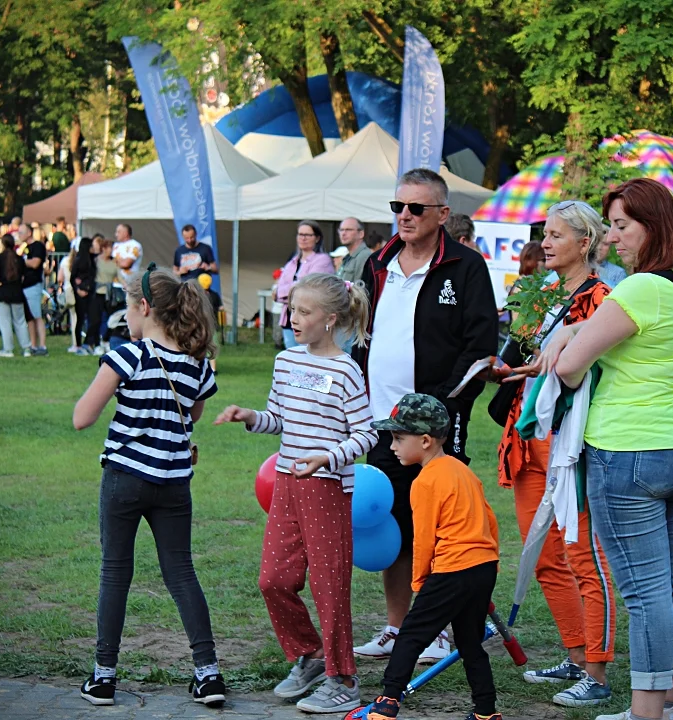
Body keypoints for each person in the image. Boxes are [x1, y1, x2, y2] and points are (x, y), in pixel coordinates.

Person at [518, 177, 673, 720]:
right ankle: (669, 699)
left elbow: (570, 365)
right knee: (669, 582)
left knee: (645, 592)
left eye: (623, 226)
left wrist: (562, 341)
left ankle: (646, 710)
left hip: (632, 453)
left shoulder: (639, 288)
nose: (613, 240)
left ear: (654, 226)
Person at [352, 169, 499, 665]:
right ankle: (397, 626)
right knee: (390, 525)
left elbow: (480, 349)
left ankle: (436, 630)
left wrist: (440, 408)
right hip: (379, 422)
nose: (405, 216)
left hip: (435, 423)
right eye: (399, 207)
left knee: (435, 526)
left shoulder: (466, 267)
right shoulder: (377, 262)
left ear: (441, 214)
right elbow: (360, 331)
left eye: (416, 208)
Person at [215, 273, 376, 714]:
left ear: (330, 319)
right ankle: (310, 656)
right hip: (287, 483)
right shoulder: (286, 361)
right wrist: (249, 415)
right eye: (292, 310)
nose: (293, 319)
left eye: (304, 312)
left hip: (326, 488)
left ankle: (343, 678)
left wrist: (328, 458)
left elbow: (367, 435)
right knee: (273, 580)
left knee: (329, 587)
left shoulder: (346, 369)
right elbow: (279, 418)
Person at [72, 266, 224, 708]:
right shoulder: (197, 362)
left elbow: (82, 417)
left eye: (126, 306)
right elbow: (192, 416)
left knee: (115, 573)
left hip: (124, 479)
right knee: (182, 574)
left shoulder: (127, 356)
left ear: (143, 308)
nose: (125, 316)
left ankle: (103, 677)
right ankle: (208, 673)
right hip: (174, 484)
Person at [497, 201, 616, 707]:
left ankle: (597, 671)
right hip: (526, 438)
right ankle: (573, 653)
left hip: (572, 442)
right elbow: (523, 356)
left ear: (584, 243)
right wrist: (500, 366)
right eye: (544, 234)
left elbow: (583, 369)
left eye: (555, 235)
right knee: (541, 555)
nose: (544, 243)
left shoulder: (606, 298)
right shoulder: (538, 293)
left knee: (583, 556)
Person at [366, 394, 501, 720]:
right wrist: (489, 560)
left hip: (451, 569)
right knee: (470, 644)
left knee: (411, 635)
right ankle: (486, 711)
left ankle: (386, 703)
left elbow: (424, 539)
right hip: (484, 566)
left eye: (398, 439)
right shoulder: (462, 470)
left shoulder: (424, 481)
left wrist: (420, 580)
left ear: (425, 441)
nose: (392, 446)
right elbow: (490, 520)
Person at [273, 221, 335, 350]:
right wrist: (285, 291)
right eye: (300, 234)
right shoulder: (292, 262)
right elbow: (285, 286)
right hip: (289, 320)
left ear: (317, 238)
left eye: (308, 235)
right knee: (293, 362)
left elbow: (308, 287)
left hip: (309, 321)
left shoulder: (322, 260)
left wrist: (280, 292)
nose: (303, 238)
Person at [0, 234, 33, 358]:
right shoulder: (19, 259)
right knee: (20, 321)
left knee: (5, 322)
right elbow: (23, 277)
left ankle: (8, 349)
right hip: (17, 292)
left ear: (2, 244)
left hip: (2, 292)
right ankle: (26, 348)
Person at [16, 224, 48, 356]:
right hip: (25, 286)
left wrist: (22, 261)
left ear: (29, 232)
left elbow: (35, 263)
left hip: (33, 285)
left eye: (21, 232)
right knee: (30, 317)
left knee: (36, 316)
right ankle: (33, 344)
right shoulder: (25, 248)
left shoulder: (38, 246)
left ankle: (42, 345)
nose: (19, 235)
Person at [70, 238, 97, 355]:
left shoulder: (92, 260)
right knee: (80, 319)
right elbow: (72, 278)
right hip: (80, 293)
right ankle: (78, 344)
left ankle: (89, 342)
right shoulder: (79, 260)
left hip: (90, 292)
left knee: (92, 318)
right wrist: (77, 289)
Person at [94, 234, 119, 352]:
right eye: (110, 248)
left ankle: (105, 340)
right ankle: (98, 341)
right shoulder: (95, 261)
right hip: (98, 292)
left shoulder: (114, 262)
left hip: (110, 293)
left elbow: (120, 277)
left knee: (109, 318)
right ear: (104, 248)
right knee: (98, 318)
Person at [198, 273, 222, 373]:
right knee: (212, 346)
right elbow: (221, 308)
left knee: (200, 346)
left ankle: (201, 367)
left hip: (200, 325)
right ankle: (213, 369)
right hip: (213, 325)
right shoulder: (214, 295)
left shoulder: (198, 296)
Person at [336, 217, 371, 283]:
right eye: (341, 230)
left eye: (349, 230)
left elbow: (360, 289)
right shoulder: (348, 257)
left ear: (361, 234)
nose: (343, 233)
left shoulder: (364, 256)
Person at [112, 223, 144, 293]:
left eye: (118, 232)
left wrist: (116, 261)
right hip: (114, 285)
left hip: (129, 286)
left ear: (125, 233)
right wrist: (121, 260)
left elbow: (126, 264)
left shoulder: (135, 245)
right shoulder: (115, 245)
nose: (116, 234)